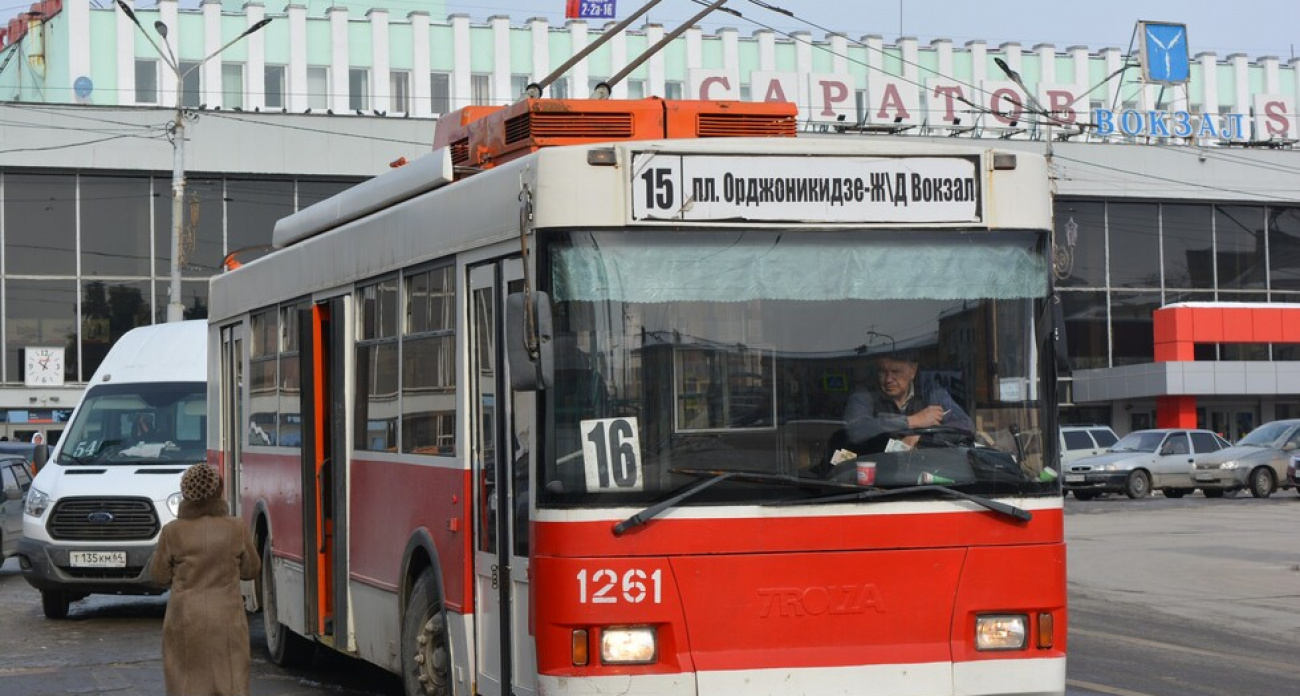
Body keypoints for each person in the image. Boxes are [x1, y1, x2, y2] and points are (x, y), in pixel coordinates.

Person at [149, 464, 260, 696]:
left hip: (185, 619)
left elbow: (158, 576)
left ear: (186, 493)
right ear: (219, 491)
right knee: (230, 681)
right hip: (227, 618)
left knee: (186, 682)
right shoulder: (236, 528)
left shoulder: (172, 531)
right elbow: (251, 570)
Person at [843, 351, 973, 451]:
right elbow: (855, 431)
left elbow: (966, 428)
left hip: (924, 472)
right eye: (883, 372)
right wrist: (911, 421)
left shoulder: (933, 395)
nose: (888, 379)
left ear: (913, 371)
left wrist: (923, 439)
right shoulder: (865, 395)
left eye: (895, 371)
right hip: (875, 473)